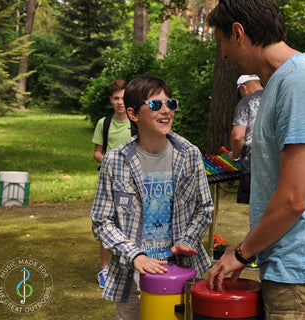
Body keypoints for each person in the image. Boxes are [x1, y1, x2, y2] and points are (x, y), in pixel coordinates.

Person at [207, 1, 305, 319]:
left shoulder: (298, 83)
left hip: (299, 269)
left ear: (238, 32)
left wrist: (242, 253)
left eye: (221, 43)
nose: (223, 55)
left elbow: (293, 200)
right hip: (289, 262)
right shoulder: (282, 81)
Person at [91, 75, 213, 319]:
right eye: (156, 105)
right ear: (133, 114)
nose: (166, 111)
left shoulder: (189, 154)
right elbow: (102, 221)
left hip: (182, 275)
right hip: (133, 279)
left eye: (171, 104)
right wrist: (135, 255)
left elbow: (204, 208)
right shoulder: (115, 161)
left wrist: (188, 239)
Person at [92, 79, 135, 289]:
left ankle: (128, 264)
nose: (120, 102)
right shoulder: (104, 123)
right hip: (108, 182)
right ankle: (105, 268)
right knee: (105, 222)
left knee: (127, 221)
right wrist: (110, 163)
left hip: (129, 184)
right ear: (111, 100)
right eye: (116, 98)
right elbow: (97, 153)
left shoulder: (135, 123)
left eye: (123, 98)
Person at [231, 74, 263, 204]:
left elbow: (238, 137)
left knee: (251, 213)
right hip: (277, 167)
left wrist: (235, 155)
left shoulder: (246, 102)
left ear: (244, 88)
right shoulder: (276, 98)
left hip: (252, 167)